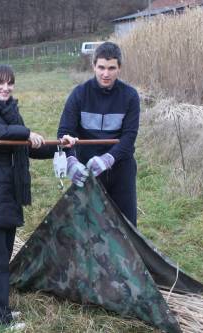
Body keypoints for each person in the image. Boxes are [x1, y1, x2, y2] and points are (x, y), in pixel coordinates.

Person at [0, 65, 71, 332]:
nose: (5, 88)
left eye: (10, 83)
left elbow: (26, 148)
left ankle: (0, 309)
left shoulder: (11, 110)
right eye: (0, 83)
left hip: (8, 190)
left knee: (3, 254)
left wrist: (59, 145)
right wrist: (24, 133)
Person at [57, 42, 140, 226]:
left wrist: (108, 158)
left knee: (126, 226)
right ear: (93, 65)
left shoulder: (130, 96)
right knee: (87, 226)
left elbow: (129, 137)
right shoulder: (79, 94)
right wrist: (71, 162)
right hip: (87, 169)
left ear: (119, 68)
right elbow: (64, 132)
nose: (105, 74)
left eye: (111, 68)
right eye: (101, 67)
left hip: (120, 168)